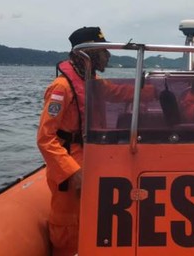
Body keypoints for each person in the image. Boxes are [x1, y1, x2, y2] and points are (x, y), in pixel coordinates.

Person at [36, 26, 154, 256]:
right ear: (86, 53)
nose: (107, 55)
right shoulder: (62, 87)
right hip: (70, 165)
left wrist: (152, 90)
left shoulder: (92, 81)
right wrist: (72, 172)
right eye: (102, 51)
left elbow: (119, 93)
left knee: (92, 217)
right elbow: (45, 138)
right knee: (68, 222)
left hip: (92, 158)